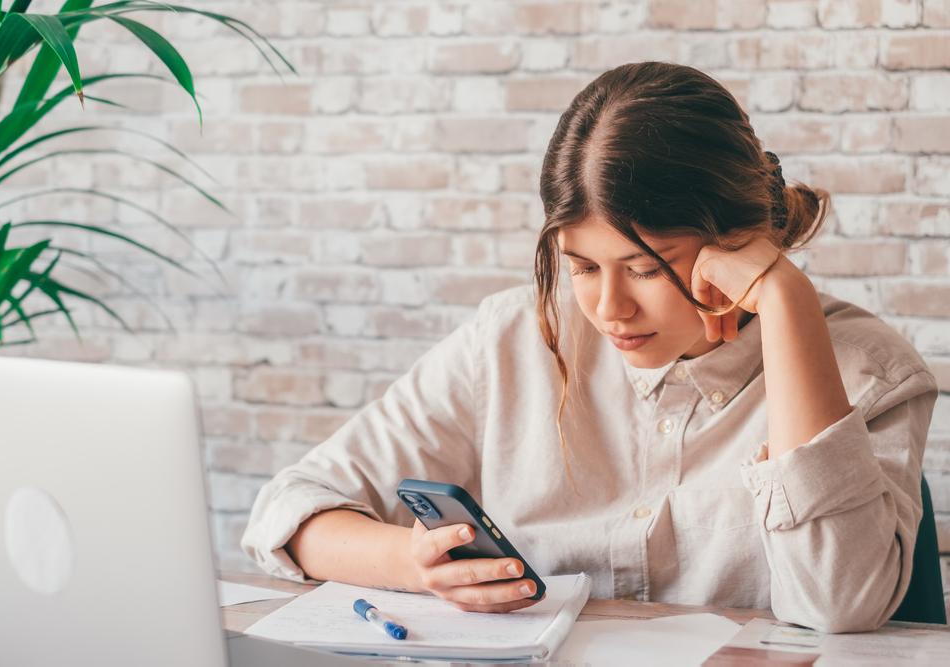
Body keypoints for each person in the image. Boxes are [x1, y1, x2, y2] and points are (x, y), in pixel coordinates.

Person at [241, 62, 938, 633]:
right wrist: (413, 560)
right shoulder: (513, 339)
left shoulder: (872, 370)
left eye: (645, 269)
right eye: (581, 267)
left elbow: (838, 603)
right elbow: (292, 508)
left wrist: (788, 303)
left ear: (737, 241)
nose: (610, 309)